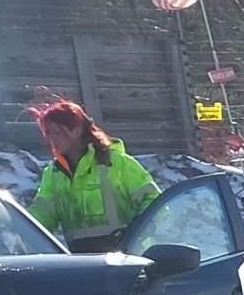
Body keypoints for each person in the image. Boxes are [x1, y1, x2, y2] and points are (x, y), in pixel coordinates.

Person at [26, 100, 159, 249]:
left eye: (57, 132)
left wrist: (135, 233)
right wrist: (17, 228)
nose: (52, 139)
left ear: (76, 130)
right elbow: (42, 215)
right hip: (84, 265)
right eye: (48, 134)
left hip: (126, 261)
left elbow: (154, 203)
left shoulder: (117, 163)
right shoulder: (53, 174)